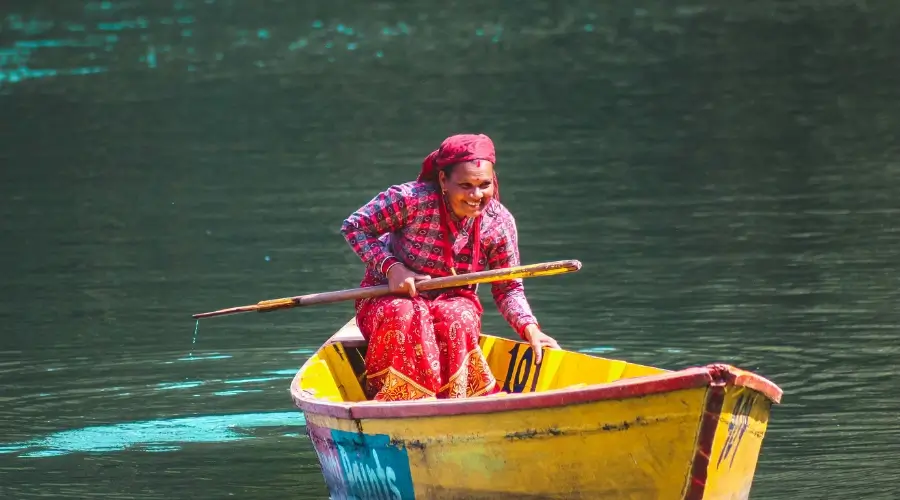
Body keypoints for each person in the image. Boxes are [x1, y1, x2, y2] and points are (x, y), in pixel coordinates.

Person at [340, 133, 560, 402]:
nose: (476, 195)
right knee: (407, 312)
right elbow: (355, 226)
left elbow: (508, 287)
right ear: (443, 180)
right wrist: (391, 268)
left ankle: (455, 403)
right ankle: (399, 400)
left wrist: (530, 329)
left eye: (484, 185)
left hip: (454, 300)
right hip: (389, 298)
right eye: (465, 185)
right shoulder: (410, 200)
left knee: (459, 316)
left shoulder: (498, 222)